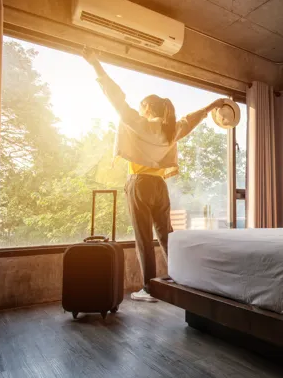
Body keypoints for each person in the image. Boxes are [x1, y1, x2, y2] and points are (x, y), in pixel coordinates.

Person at [82, 48, 226, 302]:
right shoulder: (171, 130)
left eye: (141, 107)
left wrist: (96, 64)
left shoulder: (139, 123)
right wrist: (212, 106)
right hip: (160, 186)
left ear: (147, 107)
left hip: (139, 184)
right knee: (166, 235)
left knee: (143, 238)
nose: (139, 110)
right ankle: (180, 278)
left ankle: (148, 288)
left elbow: (114, 97)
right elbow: (192, 120)